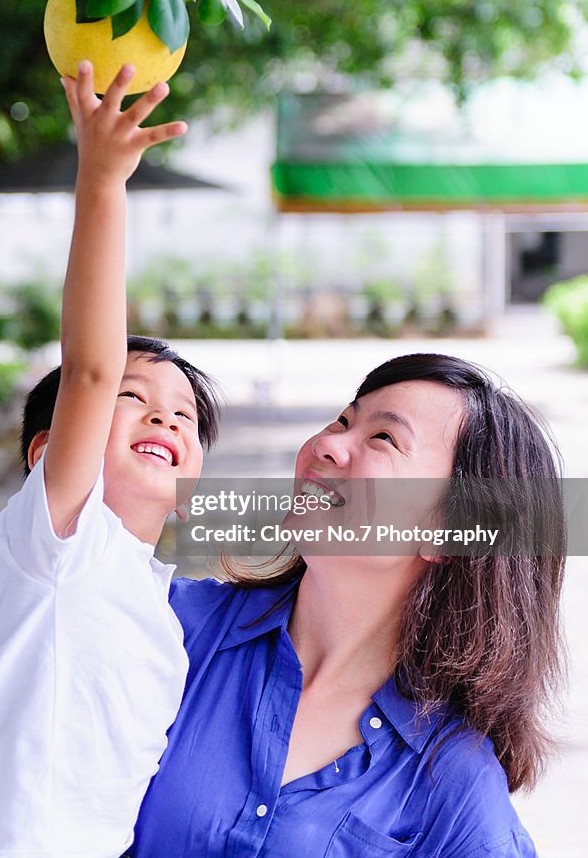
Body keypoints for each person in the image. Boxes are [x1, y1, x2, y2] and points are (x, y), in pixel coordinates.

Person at [0, 61, 221, 858]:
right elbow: (89, 365)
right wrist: (101, 182)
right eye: (136, 398)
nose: (165, 413)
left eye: (185, 416)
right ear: (47, 450)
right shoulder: (60, 540)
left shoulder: (155, 594)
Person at [129, 353, 566, 858]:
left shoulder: (456, 789)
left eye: (383, 438)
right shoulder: (172, 626)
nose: (328, 445)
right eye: (342, 420)